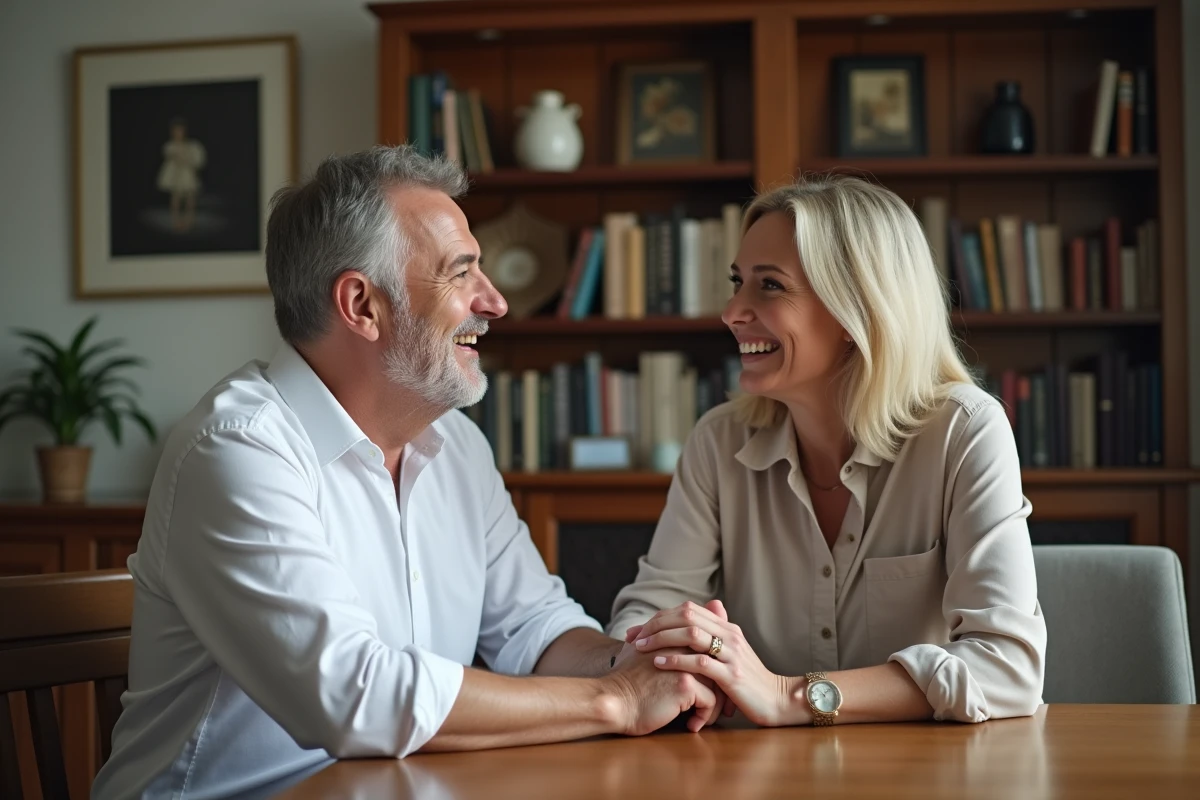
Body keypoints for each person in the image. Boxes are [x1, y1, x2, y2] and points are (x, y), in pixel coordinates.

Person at [92, 146, 720, 800]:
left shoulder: (457, 445)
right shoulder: (237, 452)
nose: (497, 302)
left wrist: (647, 661)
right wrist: (614, 699)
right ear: (363, 305)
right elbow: (356, 696)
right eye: (461, 273)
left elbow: (535, 629)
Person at [608, 175, 1046, 729]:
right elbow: (646, 616)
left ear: (856, 309)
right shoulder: (718, 442)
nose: (732, 311)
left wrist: (788, 695)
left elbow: (1008, 670)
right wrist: (674, 665)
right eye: (738, 282)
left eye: (769, 286)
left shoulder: (965, 432)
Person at [156, 117, 206, 232]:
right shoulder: (170, 146)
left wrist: (190, 161)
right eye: (175, 131)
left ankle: (189, 221)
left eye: (180, 131)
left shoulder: (192, 146)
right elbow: (174, 158)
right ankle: (176, 221)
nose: (178, 133)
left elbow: (196, 160)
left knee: (190, 197)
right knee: (176, 197)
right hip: (177, 175)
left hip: (188, 175)